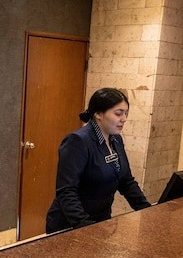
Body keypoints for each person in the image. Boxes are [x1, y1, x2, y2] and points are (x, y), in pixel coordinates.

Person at [45, 87, 151, 233]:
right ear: (98, 114)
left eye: (126, 113)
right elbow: (66, 191)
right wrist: (85, 225)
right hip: (71, 225)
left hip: (100, 222)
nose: (124, 119)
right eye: (118, 113)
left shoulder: (116, 140)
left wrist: (147, 210)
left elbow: (126, 181)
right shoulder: (78, 141)